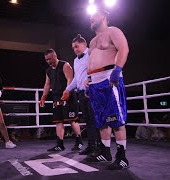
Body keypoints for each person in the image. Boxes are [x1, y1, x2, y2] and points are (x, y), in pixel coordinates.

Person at [86, 9, 129, 169]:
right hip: (94, 82)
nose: (90, 17)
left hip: (109, 79)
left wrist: (117, 70)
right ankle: (105, 152)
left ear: (103, 16)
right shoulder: (92, 41)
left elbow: (124, 48)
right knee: (101, 120)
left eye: (93, 15)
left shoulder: (113, 31)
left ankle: (122, 156)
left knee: (115, 118)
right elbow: (91, 63)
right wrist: (88, 81)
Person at [61, 34, 102, 156]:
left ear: (85, 44)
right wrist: (67, 89)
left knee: (95, 120)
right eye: (73, 47)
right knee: (88, 121)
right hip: (81, 93)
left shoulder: (91, 54)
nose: (75, 49)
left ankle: (98, 147)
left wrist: (90, 80)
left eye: (77, 46)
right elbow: (76, 79)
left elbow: (99, 69)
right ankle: (90, 146)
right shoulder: (75, 60)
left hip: (92, 91)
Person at [39, 49, 83, 151]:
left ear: (55, 56)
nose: (49, 61)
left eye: (50, 58)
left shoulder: (65, 65)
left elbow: (70, 79)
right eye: (46, 59)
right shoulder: (48, 71)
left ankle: (79, 141)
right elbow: (47, 84)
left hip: (68, 95)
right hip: (56, 97)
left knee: (72, 120)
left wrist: (67, 92)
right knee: (58, 121)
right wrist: (43, 96)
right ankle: (60, 144)